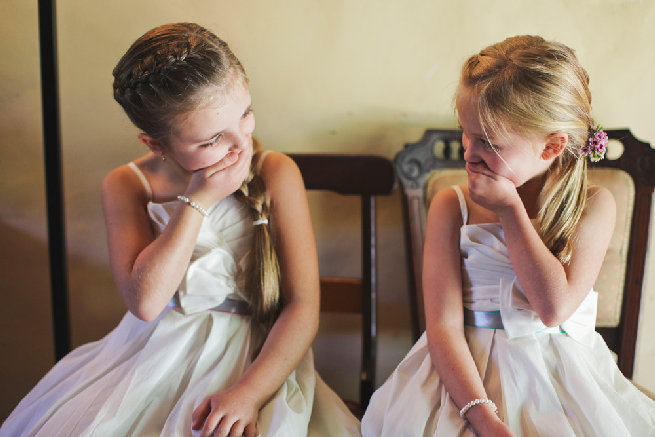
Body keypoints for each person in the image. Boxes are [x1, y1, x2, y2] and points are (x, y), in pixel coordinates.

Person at [1, 22, 360, 437]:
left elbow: (303, 308)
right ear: (157, 145)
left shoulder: (276, 171)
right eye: (212, 140)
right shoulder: (127, 184)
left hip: (259, 362)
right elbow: (148, 304)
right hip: (151, 359)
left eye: (245, 114)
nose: (241, 144)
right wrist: (199, 199)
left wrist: (248, 394)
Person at [361, 35, 655, 436]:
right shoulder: (452, 205)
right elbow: (443, 326)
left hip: (560, 380)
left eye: (489, 143)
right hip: (463, 382)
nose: (468, 152)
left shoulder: (595, 206)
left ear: (551, 147)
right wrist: (481, 415)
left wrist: (509, 210)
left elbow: (552, 309)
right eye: (465, 132)